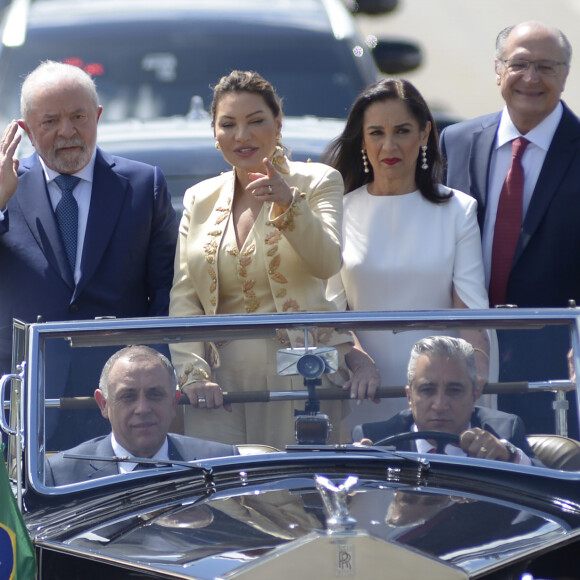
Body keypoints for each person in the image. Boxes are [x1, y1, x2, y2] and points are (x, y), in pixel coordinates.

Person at [169, 70, 352, 448]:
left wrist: (289, 203)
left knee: (291, 497)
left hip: (300, 374)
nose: (242, 136)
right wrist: (192, 373)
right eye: (228, 124)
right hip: (218, 388)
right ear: (215, 133)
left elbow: (327, 262)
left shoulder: (318, 181)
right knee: (223, 499)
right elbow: (185, 298)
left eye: (256, 122)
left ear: (278, 124)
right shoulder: (198, 198)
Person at [0, 61, 178, 447]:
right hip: (26, 396)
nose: (67, 131)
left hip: (124, 402)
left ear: (97, 117)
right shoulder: (5, 187)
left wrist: (153, 376)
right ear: (26, 130)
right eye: (50, 121)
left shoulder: (143, 185)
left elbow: (166, 289)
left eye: (78, 116)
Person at [323, 78, 491, 432]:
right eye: (376, 133)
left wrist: (474, 378)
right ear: (362, 139)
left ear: (424, 133)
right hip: (364, 390)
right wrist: (361, 364)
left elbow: (471, 314)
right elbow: (332, 314)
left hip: (442, 395)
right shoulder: (337, 212)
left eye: (401, 131)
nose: (389, 145)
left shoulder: (459, 210)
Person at [439, 21, 579, 438]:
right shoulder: (457, 141)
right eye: (519, 65)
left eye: (546, 67)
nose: (531, 79)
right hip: (465, 355)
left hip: (555, 357)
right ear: (498, 70)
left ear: (565, 74)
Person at [45, 346, 238, 486]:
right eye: (128, 397)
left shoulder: (221, 463)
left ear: (173, 403)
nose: (143, 409)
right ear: (104, 404)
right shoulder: (60, 476)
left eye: (155, 395)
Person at [353, 336, 535, 465]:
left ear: (474, 395)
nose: (440, 405)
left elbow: (551, 488)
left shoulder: (503, 430)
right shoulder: (375, 439)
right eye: (427, 390)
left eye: (454, 391)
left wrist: (509, 456)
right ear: (409, 397)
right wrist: (350, 471)